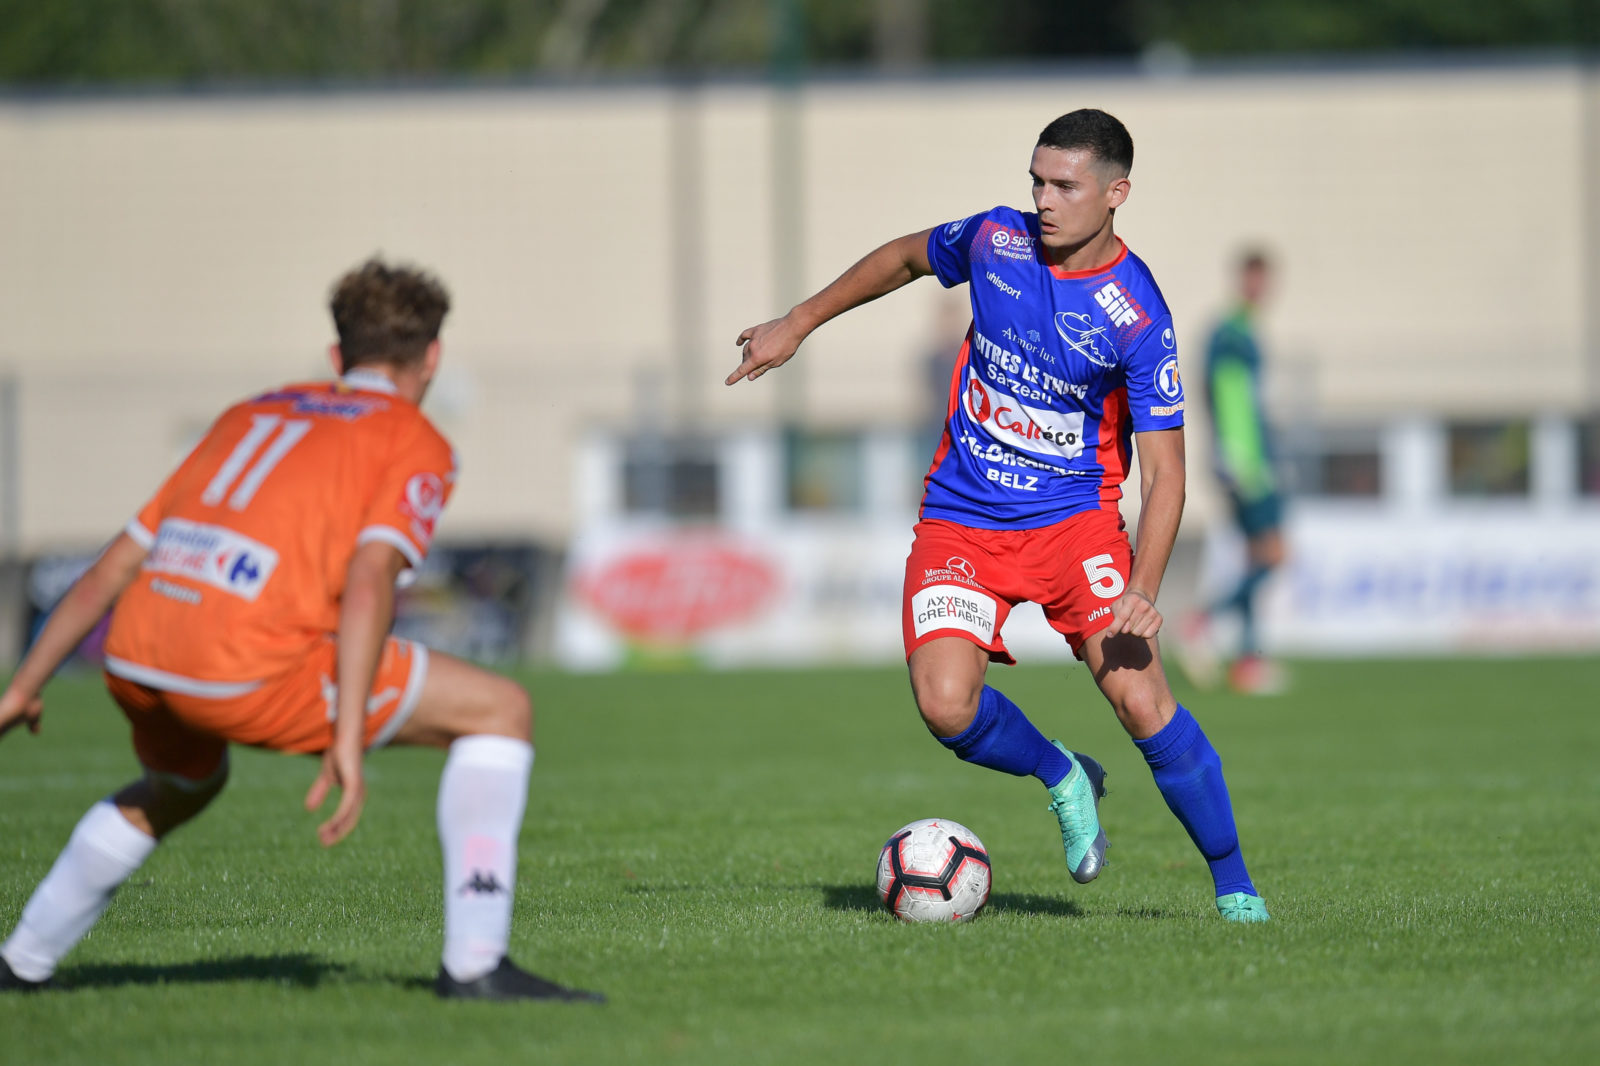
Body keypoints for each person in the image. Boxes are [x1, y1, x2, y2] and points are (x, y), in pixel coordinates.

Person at [0, 259, 605, 999]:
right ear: (433, 358)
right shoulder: (414, 440)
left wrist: (23, 686)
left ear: (336, 355)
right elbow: (370, 579)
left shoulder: (249, 413)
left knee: (182, 785)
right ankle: (476, 966)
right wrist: (346, 736)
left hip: (137, 655)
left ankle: (20, 962)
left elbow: (110, 569)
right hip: (243, 669)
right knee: (500, 711)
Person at [727, 109, 1268, 922]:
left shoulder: (1137, 313)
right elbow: (905, 257)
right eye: (1037, 181)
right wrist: (797, 322)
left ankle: (1236, 888)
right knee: (945, 705)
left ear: (1116, 194)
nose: (1044, 200)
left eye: (1065, 185)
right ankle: (1062, 774)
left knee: (1143, 704)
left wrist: (1144, 587)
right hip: (962, 517)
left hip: (1075, 528)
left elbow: (1168, 475)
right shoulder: (995, 241)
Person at [1186, 249, 1286, 694]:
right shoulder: (1232, 333)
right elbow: (1228, 398)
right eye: (1253, 279)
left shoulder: (1241, 329)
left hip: (1242, 457)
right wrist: (1241, 459)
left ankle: (1247, 661)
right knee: (1274, 554)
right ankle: (1201, 622)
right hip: (1245, 462)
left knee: (1254, 557)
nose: (1259, 288)